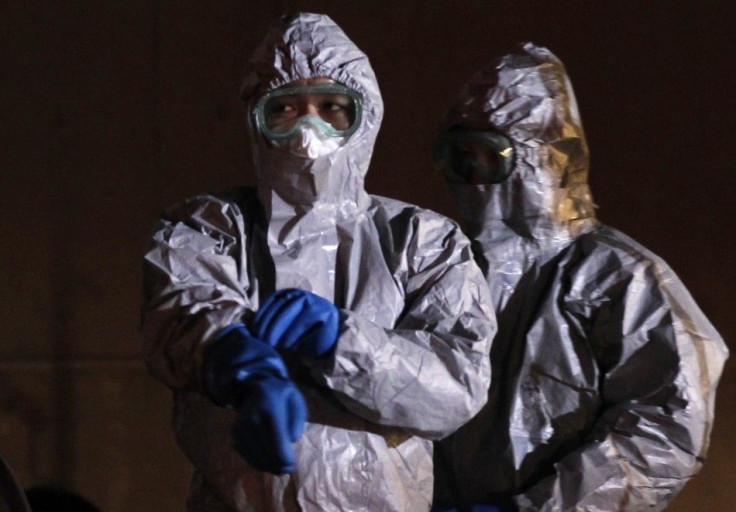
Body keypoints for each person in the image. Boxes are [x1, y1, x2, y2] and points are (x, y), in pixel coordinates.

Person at [141, 13, 495, 512]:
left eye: (332, 108)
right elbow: (186, 313)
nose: (310, 132)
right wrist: (245, 371)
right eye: (285, 109)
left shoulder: (421, 240)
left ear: (365, 116)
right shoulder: (209, 227)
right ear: (256, 120)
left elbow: (457, 387)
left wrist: (346, 343)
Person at [431, 43, 728, 512]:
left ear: (541, 159)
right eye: (458, 156)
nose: (472, 176)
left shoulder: (623, 279)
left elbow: (666, 433)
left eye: (490, 156)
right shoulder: (442, 263)